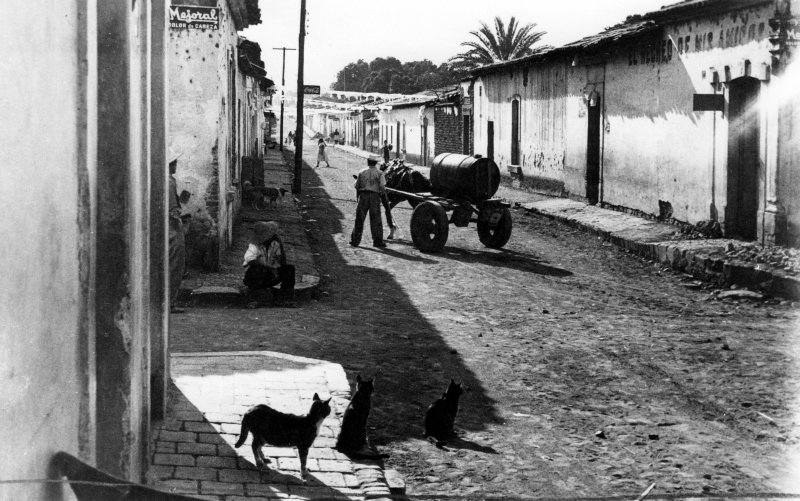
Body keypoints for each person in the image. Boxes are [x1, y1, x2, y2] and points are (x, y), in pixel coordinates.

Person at [243, 221, 296, 308]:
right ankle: (253, 299)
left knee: (289, 269)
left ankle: (285, 298)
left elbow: (281, 260)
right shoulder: (253, 246)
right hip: (256, 278)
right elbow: (250, 260)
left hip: (270, 275)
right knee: (256, 267)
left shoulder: (275, 244)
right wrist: (269, 267)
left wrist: (275, 268)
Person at [350, 155, 387, 248]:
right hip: (375, 197)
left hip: (363, 196)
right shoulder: (380, 173)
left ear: (368, 162)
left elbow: (357, 186)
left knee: (359, 219)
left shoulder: (362, 172)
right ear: (375, 163)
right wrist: (382, 194)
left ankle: (355, 240)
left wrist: (358, 197)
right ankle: (377, 241)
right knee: (376, 219)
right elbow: (382, 187)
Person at [168, 150, 186, 314]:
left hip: (164, 227)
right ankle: (170, 302)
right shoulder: (169, 183)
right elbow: (173, 211)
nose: (176, 166)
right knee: (175, 264)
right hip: (172, 228)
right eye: (174, 163)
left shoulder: (165, 180)